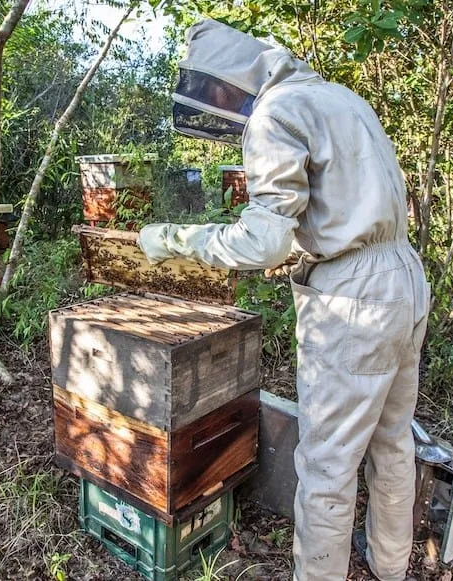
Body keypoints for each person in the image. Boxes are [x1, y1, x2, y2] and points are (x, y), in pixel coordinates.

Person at [137, 19, 429, 581]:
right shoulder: (341, 98)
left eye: (215, 91)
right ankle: (391, 566)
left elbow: (262, 240)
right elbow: (340, 209)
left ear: (231, 78)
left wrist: (172, 238)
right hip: (404, 279)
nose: (218, 106)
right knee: (392, 442)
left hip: (353, 301)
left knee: (327, 464)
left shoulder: (275, 112)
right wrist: (300, 249)